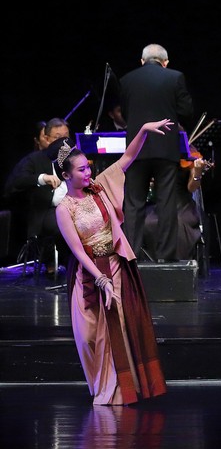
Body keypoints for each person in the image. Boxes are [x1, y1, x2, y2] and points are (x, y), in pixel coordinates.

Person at [52, 117, 175, 405]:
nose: (88, 172)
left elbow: (127, 158)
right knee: (88, 336)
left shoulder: (99, 187)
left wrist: (143, 130)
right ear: (67, 175)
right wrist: (100, 279)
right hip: (88, 273)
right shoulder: (64, 209)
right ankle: (102, 386)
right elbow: (78, 251)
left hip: (115, 266)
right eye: (81, 169)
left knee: (118, 328)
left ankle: (123, 389)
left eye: (88, 167)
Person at [114, 44, 195, 262]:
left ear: (142, 61)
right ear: (165, 62)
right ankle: (166, 256)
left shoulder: (127, 80)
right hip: (165, 148)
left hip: (136, 149)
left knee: (133, 203)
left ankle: (131, 256)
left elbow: (126, 113)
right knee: (166, 202)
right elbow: (186, 111)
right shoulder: (175, 77)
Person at [3, 117, 71, 270]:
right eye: (58, 137)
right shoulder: (34, 159)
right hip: (47, 211)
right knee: (63, 223)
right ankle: (64, 264)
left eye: (66, 137)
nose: (63, 142)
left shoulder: (74, 158)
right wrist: (42, 178)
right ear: (46, 139)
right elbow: (15, 182)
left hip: (74, 206)